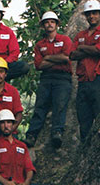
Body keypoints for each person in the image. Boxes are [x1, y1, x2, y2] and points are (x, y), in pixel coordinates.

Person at [24, 11, 72, 149]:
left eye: (52, 22)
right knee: (40, 106)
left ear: (56, 24)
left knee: (60, 105)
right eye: (46, 22)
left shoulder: (65, 40)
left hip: (63, 78)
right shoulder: (40, 45)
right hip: (46, 78)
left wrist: (47, 58)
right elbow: (39, 65)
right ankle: (32, 135)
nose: (49, 24)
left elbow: (67, 57)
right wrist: (58, 58)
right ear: (43, 26)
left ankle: (57, 132)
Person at [70, 0, 100, 141]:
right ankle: (84, 152)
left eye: (94, 13)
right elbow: (72, 54)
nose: (91, 17)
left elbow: (99, 50)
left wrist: (82, 48)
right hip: (84, 81)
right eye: (89, 14)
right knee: (84, 122)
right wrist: (90, 49)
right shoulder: (81, 35)